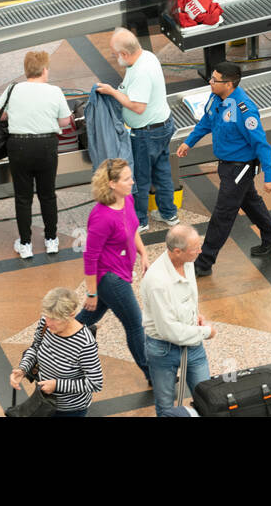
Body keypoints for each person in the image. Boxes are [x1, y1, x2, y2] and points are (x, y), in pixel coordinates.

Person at [176, 61, 271, 277]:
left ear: (229, 84)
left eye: (215, 80)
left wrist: (270, 176)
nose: (210, 82)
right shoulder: (216, 99)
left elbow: (261, 144)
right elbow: (206, 122)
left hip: (240, 168)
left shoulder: (245, 110)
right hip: (226, 164)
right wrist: (189, 142)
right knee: (249, 201)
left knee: (223, 213)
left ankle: (204, 262)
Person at [74, 158, 152, 385]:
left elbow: (132, 228)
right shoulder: (101, 216)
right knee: (135, 325)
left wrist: (143, 253)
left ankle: (53, 345)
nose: (132, 182)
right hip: (110, 278)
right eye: (127, 179)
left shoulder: (126, 200)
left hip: (119, 273)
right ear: (111, 184)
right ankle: (151, 373)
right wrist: (91, 292)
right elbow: (90, 256)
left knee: (85, 321)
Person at [94, 27, 177, 231]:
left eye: (115, 55)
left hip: (147, 133)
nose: (115, 58)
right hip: (164, 124)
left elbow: (138, 107)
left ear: (125, 53)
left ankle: (140, 220)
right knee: (163, 171)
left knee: (139, 176)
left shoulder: (141, 72)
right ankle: (169, 213)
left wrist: (113, 93)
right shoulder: (146, 56)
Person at [0, 51, 73, 258]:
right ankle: (51, 240)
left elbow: (0, 116)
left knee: (23, 197)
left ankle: (25, 244)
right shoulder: (55, 91)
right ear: (44, 69)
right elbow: (65, 121)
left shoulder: (13, 89)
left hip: (19, 146)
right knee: (47, 195)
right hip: (46, 145)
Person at [141, 225, 215, 415]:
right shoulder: (157, 282)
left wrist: (193, 315)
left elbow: (188, 296)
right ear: (177, 251)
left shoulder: (187, 261)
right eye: (195, 248)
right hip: (163, 348)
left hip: (191, 341)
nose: (200, 251)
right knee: (166, 407)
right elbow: (168, 330)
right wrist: (206, 332)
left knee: (209, 399)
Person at [12, 287, 102, 417]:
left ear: (71, 315)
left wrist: (57, 385)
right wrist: (23, 369)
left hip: (70, 410)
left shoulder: (85, 344)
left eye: (54, 319)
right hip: (43, 401)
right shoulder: (46, 322)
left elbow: (95, 382)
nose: (48, 323)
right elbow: (36, 347)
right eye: (47, 317)